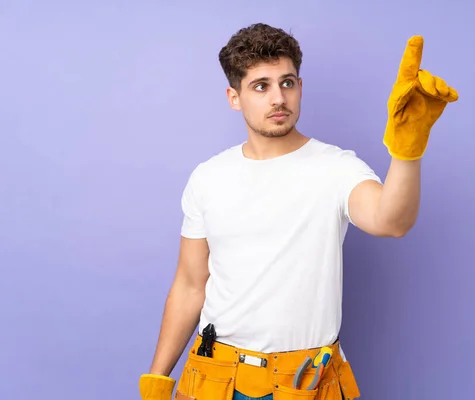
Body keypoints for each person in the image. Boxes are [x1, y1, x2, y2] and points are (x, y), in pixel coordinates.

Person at [138, 23, 458, 400]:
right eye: (261, 86)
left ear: (300, 87)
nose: (279, 98)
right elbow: (190, 285)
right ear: (234, 97)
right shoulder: (208, 177)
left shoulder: (336, 167)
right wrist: (158, 381)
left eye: (287, 83)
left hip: (305, 382)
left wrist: (407, 150)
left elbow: (391, 221)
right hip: (217, 377)